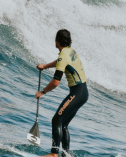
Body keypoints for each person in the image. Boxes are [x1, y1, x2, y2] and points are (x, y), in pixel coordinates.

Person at [36, 29, 88, 157]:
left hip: (77, 92)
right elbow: (60, 62)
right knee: (63, 124)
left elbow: (55, 82)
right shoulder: (70, 51)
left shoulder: (63, 56)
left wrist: (42, 92)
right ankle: (66, 155)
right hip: (83, 92)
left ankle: (54, 153)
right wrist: (45, 66)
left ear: (57, 41)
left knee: (57, 120)